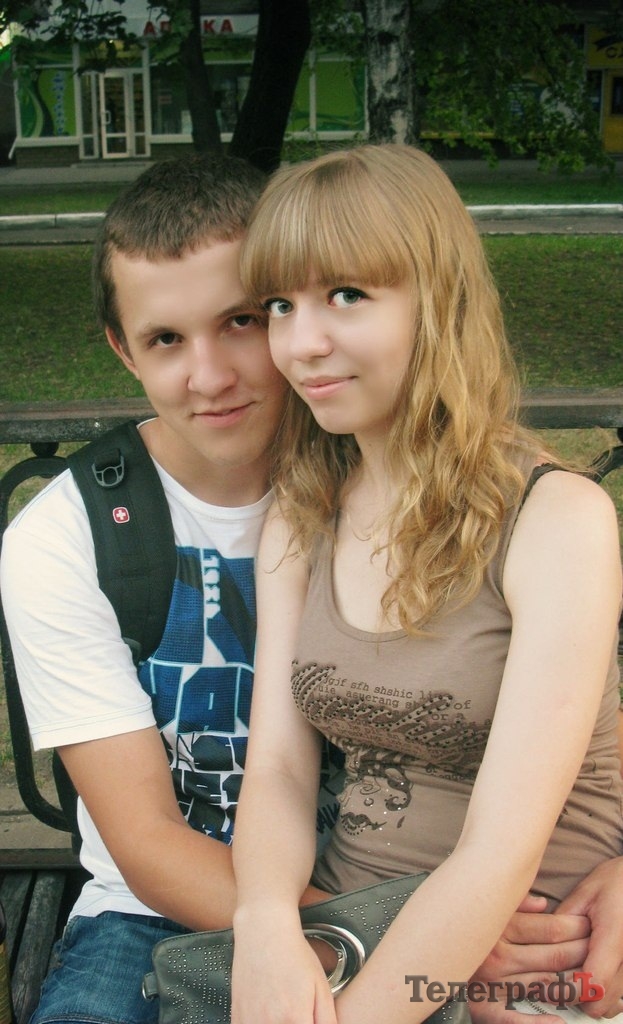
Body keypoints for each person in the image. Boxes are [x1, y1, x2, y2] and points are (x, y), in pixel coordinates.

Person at [1, 150, 622, 1024]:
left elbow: (546, 778)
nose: (218, 372)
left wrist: (426, 950)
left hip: (494, 931)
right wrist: (308, 934)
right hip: (215, 913)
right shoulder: (102, 533)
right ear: (123, 349)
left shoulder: (537, 515)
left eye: (244, 319)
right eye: (283, 308)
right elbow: (192, 820)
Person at [230, 143, 623, 1024]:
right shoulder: (302, 514)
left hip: (529, 968)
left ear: (438, 301)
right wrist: (265, 929)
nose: (300, 343)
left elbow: (498, 851)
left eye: (345, 295)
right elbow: (281, 769)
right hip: (350, 933)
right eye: (279, 305)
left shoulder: (555, 521)